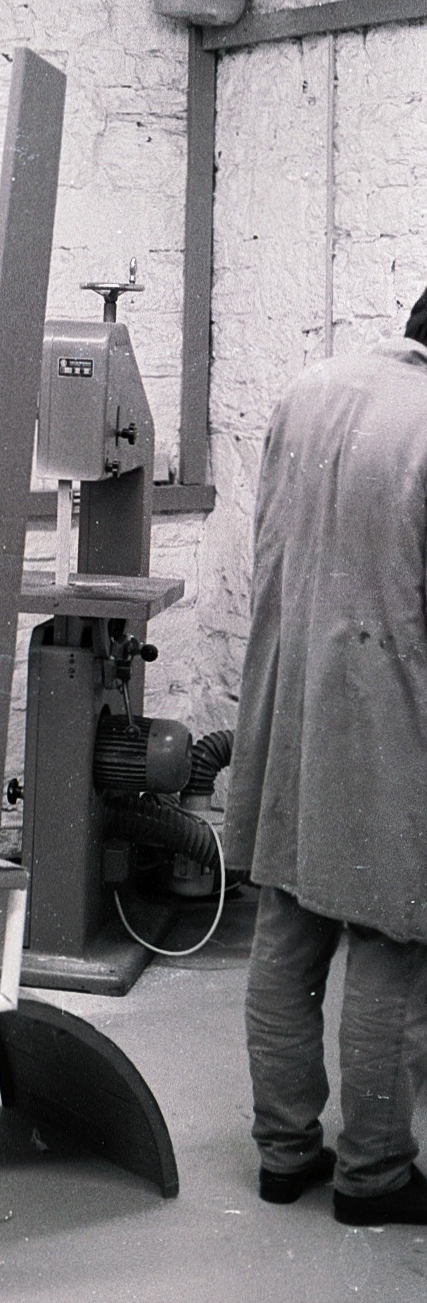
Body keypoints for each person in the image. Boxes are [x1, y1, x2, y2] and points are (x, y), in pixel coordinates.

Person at [224, 293, 427, 1224]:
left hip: (289, 696)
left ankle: (282, 1154)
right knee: (393, 940)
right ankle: (374, 1175)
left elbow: (269, 544)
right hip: (386, 715)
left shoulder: (309, 389)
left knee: (288, 928)